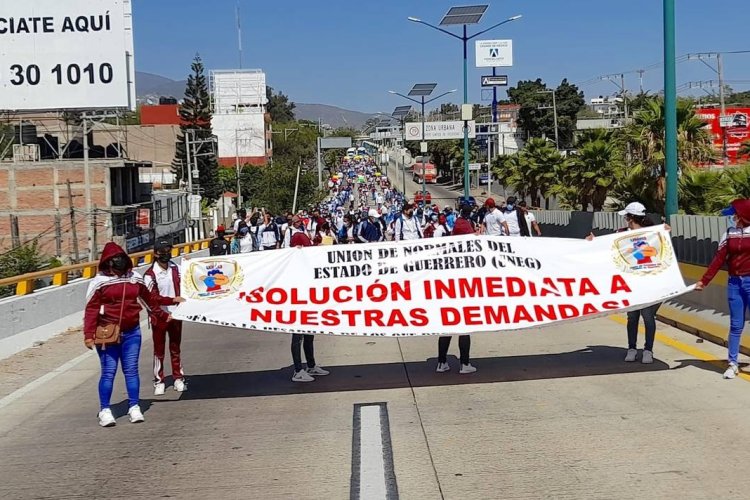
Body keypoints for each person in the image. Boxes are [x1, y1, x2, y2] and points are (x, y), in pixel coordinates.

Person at [83, 242, 183, 427]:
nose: (119, 261)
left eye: (121, 257)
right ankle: (105, 409)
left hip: (132, 332)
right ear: (108, 261)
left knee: (131, 370)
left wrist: (163, 314)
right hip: (107, 334)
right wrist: (89, 334)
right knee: (108, 372)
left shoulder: (135, 278)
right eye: (115, 259)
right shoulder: (99, 282)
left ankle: (134, 406)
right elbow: (91, 309)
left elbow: (150, 300)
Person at [588, 202, 660, 364]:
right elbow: (607, 246)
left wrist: (665, 233)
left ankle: (648, 350)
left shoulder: (652, 233)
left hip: (648, 282)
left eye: (626, 216)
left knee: (648, 316)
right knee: (632, 316)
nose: (625, 219)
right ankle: (632, 348)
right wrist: (593, 242)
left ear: (631, 218)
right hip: (630, 282)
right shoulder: (620, 233)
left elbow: (656, 251)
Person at [695, 199, 750, 379]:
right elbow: (718, 259)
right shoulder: (729, 233)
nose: (732, 217)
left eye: (734, 214)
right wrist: (704, 281)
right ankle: (732, 364)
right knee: (736, 325)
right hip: (734, 283)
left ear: (742, 216)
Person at [288, 215, 330, 382]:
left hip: (308, 291)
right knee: (297, 334)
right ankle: (298, 370)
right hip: (297, 294)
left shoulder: (302, 234)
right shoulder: (296, 237)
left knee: (309, 332)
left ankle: (311, 365)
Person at [436, 205, 477, 374]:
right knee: (463, 328)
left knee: (447, 328)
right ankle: (464, 364)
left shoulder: (448, 251)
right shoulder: (469, 255)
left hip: (447, 293)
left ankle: (441, 362)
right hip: (463, 292)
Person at [144, 241, 186, 395]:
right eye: (163, 251)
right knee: (159, 350)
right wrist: (170, 302)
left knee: (175, 348)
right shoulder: (150, 274)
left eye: (169, 250)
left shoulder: (176, 269)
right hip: (159, 316)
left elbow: (188, 282)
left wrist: (190, 264)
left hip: (176, 314)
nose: (167, 253)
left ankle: (178, 377)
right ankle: (159, 380)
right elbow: (152, 298)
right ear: (156, 254)